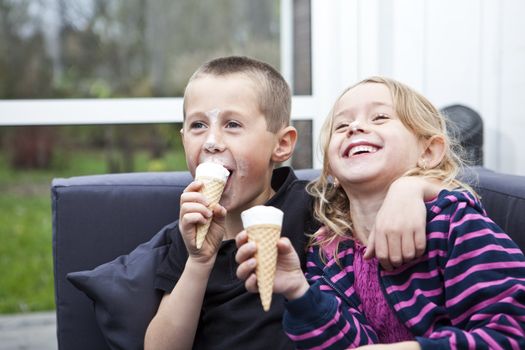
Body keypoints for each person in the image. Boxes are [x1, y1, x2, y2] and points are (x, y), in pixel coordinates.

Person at [145, 58, 439, 350]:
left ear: (282, 144)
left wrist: (409, 188)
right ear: (183, 139)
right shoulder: (186, 232)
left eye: (232, 124)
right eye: (198, 125)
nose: (211, 141)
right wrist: (198, 262)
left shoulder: (318, 206)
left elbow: (382, 187)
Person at [236, 76, 525, 349]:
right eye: (341, 125)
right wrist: (298, 290)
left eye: (380, 117)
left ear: (428, 152)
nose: (355, 128)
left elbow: (511, 332)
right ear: (331, 170)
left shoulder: (456, 224)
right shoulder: (329, 251)